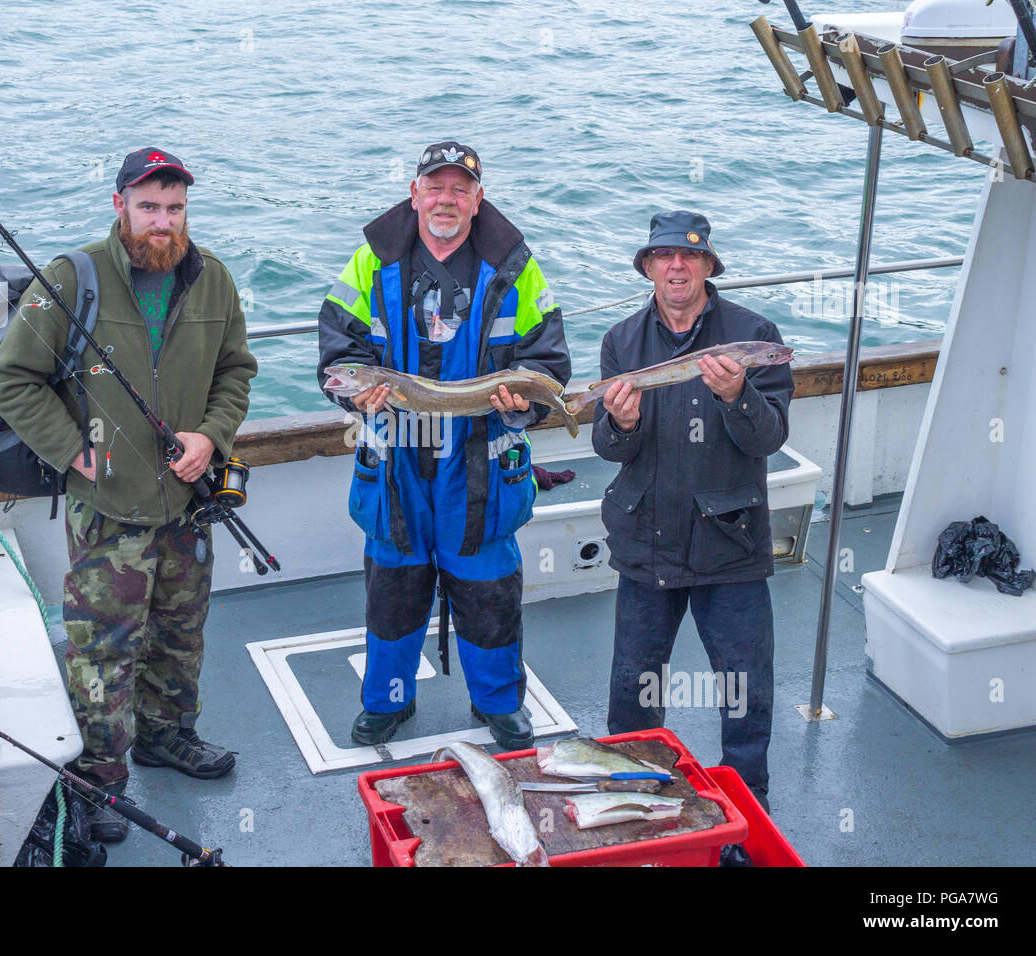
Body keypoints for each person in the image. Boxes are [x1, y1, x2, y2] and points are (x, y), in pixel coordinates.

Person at [0, 148, 257, 842]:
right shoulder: (68, 278)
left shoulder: (216, 280)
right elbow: (11, 378)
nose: (162, 223)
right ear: (120, 207)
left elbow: (236, 371)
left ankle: (167, 736)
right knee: (101, 651)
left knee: (180, 633)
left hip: (189, 503)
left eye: (174, 208)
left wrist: (212, 435)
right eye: (149, 207)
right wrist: (72, 450)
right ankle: (98, 782)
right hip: (108, 513)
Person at [317, 141, 571, 750]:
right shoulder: (368, 263)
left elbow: (549, 359)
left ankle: (497, 703)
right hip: (396, 461)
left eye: (461, 189)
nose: (446, 199)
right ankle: (387, 702)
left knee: (488, 591)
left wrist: (531, 402)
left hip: (481, 461)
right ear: (415, 194)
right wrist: (356, 393)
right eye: (436, 187)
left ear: (478, 201)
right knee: (394, 591)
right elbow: (338, 351)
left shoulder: (518, 268)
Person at [593, 210, 793, 811]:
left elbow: (769, 438)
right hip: (645, 540)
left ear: (708, 265)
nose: (676, 265)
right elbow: (609, 447)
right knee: (633, 690)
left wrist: (738, 396)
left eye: (689, 255)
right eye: (664, 256)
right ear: (649, 266)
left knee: (744, 691)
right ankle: (632, 800)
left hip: (727, 543)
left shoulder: (753, 332)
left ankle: (747, 807)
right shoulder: (621, 341)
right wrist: (621, 422)